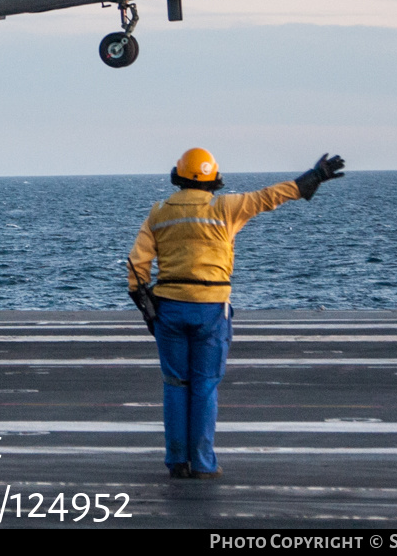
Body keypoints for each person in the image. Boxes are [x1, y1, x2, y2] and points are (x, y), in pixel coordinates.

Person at [126, 147, 346, 480]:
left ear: (178, 176)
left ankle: (177, 462)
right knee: (204, 385)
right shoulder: (226, 208)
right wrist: (311, 179)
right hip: (212, 309)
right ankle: (202, 463)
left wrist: (148, 311)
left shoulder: (158, 213)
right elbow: (267, 197)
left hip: (169, 307)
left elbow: (137, 268)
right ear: (213, 179)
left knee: (174, 384)